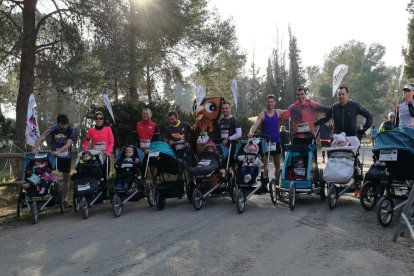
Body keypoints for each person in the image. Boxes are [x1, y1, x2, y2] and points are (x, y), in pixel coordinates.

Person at [32, 114, 75, 207]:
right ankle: (57, 196)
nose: (64, 126)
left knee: (66, 178)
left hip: (66, 157)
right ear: (58, 123)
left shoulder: (70, 130)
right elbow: (42, 137)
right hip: (55, 158)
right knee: (53, 176)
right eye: (62, 124)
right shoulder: (53, 128)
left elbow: (68, 144)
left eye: (65, 124)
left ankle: (65, 199)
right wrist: (35, 148)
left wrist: (59, 151)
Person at [248, 94, 286, 189]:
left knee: (277, 165)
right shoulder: (262, 114)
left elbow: (291, 111)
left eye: (272, 102)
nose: (270, 104)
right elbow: (255, 125)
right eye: (268, 102)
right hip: (265, 143)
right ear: (266, 103)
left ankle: (277, 184)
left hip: (275, 142)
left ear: (275, 103)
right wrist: (251, 132)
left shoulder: (278, 112)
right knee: (265, 166)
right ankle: (264, 184)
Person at [164, 111, 193, 180]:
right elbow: (165, 139)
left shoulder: (185, 125)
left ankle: (192, 185)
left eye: (173, 119)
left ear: (177, 118)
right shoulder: (168, 129)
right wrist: (168, 141)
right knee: (179, 171)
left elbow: (192, 135)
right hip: (176, 152)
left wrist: (188, 142)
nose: (171, 121)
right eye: (170, 120)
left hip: (186, 151)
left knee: (190, 169)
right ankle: (181, 187)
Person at [136, 108, 160, 183]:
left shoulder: (155, 125)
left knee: (153, 171)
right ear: (141, 114)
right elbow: (134, 138)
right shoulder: (137, 124)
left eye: (147, 113)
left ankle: (155, 187)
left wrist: (150, 149)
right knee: (142, 171)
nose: (145, 115)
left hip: (151, 151)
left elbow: (157, 140)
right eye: (144, 113)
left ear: (151, 115)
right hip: (141, 151)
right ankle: (143, 188)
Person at [219, 101, 242, 173]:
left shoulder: (235, 120)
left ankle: (236, 178)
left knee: (232, 164)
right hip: (223, 145)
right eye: (223, 108)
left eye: (226, 108)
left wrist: (228, 138)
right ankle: (228, 178)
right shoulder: (221, 121)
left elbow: (239, 134)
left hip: (232, 144)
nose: (225, 110)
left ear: (230, 109)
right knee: (225, 164)